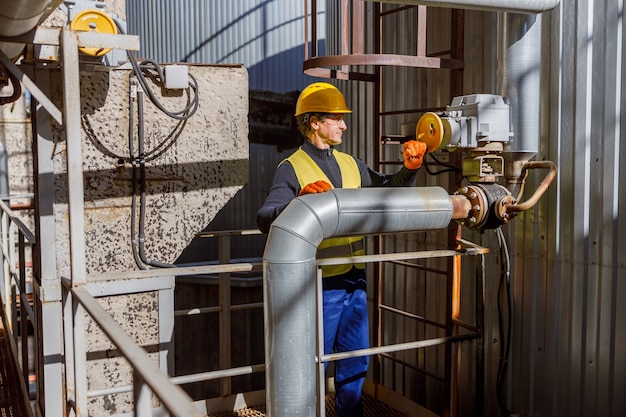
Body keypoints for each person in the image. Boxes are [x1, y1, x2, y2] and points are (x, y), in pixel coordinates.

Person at [256, 82, 427, 417]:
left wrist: (409, 169)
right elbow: (265, 218)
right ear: (313, 122)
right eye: (336, 118)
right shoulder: (292, 168)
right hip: (318, 286)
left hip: (354, 281)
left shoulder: (352, 164)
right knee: (312, 364)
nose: (344, 125)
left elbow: (387, 192)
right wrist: (299, 201)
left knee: (355, 361)